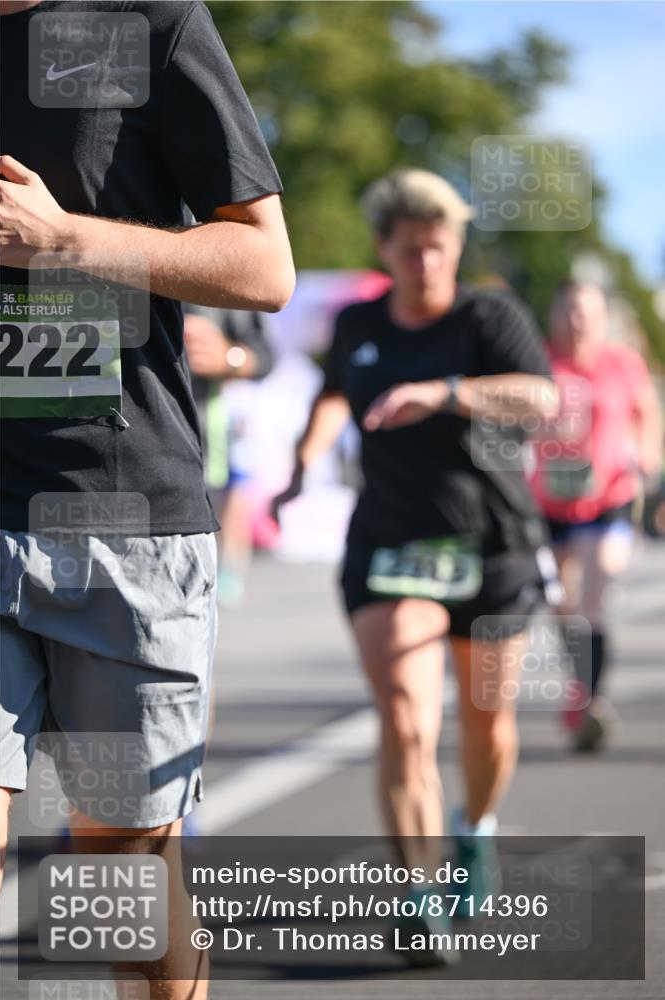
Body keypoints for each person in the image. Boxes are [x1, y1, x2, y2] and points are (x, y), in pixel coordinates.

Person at [0, 2, 294, 998]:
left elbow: (263, 265)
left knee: (128, 887)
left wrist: (66, 238)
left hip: (120, 521)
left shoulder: (151, 23)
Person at [273, 168, 559, 965]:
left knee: (485, 720)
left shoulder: (488, 313)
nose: (427, 263)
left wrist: (443, 392)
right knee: (404, 714)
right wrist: (305, 458)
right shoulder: (359, 319)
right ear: (384, 251)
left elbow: (538, 398)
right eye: (410, 250)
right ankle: (418, 893)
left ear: (455, 245)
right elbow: (335, 393)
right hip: (392, 546)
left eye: (438, 248)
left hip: (491, 547)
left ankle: (477, 830)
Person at [528, 281, 663, 751]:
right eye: (569, 310)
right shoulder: (538, 361)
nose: (578, 320)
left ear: (603, 316)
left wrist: (648, 456)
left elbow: (647, 412)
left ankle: (590, 700)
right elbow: (509, 419)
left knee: (595, 592)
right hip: (550, 505)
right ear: (554, 315)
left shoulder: (621, 363)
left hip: (610, 498)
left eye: (587, 311)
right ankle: (581, 686)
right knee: (562, 604)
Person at [184, 306, 273, 607]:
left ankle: (228, 571)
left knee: (234, 493)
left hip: (219, 416)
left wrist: (228, 357)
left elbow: (264, 356)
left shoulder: (225, 284)